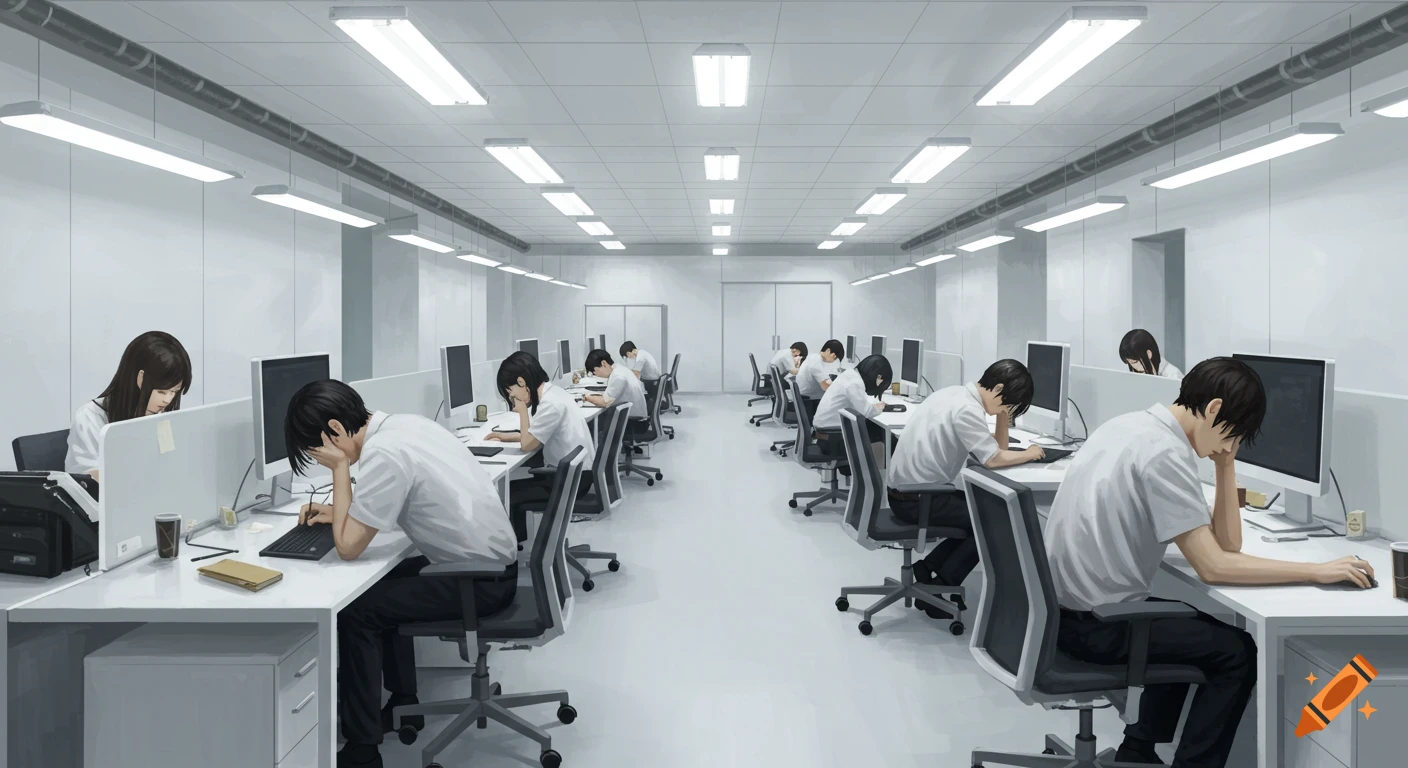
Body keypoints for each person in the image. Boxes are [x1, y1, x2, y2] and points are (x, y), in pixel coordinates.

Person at [1044, 357, 1373, 768]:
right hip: (1096, 626)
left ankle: (1138, 750)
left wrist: (1225, 463)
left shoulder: (1130, 426)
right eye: (1233, 434)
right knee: (1236, 651)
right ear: (1214, 409)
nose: (1231, 444)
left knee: (1183, 622)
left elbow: (1228, 544)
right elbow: (1214, 566)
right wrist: (1316, 570)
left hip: (1065, 614)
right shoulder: (1164, 453)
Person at [283, 380, 518, 768]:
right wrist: (341, 512)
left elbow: (348, 547)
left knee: (358, 612)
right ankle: (403, 701)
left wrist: (339, 468)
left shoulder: (383, 453)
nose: (323, 460)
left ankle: (362, 751)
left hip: (479, 582)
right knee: (384, 587)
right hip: (489, 565)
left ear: (335, 430)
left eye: (320, 453)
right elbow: (392, 503)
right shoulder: (405, 426)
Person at [888, 360, 1046, 616]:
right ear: (998, 388)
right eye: (1008, 404)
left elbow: (997, 450)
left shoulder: (954, 394)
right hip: (917, 499)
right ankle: (941, 586)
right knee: (995, 521)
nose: (1006, 410)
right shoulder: (968, 409)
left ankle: (928, 568)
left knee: (985, 510)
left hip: (910, 492)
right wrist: (1030, 453)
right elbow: (993, 459)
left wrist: (1003, 414)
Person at [485, 352, 596, 539]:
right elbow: (536, 435)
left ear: (521, 382)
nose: (511, 396)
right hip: (576, 474)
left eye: (509, 390)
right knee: (514, 486)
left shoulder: (550, 404)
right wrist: (505, 437)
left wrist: (522, 411)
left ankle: (512, 550)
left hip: (569, 482)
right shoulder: (554, 394)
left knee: (505, 494)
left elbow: (528, 444)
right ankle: (519, 543)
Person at [65, 330, 192, 478]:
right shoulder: (90, 418)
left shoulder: (162, 415)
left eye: (174, 392)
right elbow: (85, 479)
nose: (167, 400)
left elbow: (169, 463)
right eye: (161, 391)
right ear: (140, 378)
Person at [812, 354, 892, 462]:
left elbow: (861, 406)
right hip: (832, 438)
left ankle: (873, 469)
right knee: (883, 435)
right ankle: (873, 471)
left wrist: (874, 407)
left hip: (826, 431)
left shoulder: (850, 374)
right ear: (879, 377)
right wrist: (881, 407)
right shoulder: (854, 383)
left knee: (875, 429)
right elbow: (866, 412)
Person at [584, 349, 647, 418]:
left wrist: (586, 397)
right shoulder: (619, 369)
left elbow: (605, 402)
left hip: (634, 420)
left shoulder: (617, 376)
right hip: (634, 416)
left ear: (603, 363)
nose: (596, 375)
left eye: (595, 371)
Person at [796, 339, 844, 416]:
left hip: (806, 399)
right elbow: (826, 387)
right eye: (834, 357)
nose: (833, 361)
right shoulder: (816, 363)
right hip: (810, 403)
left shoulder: (814, 358)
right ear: (828, 351)